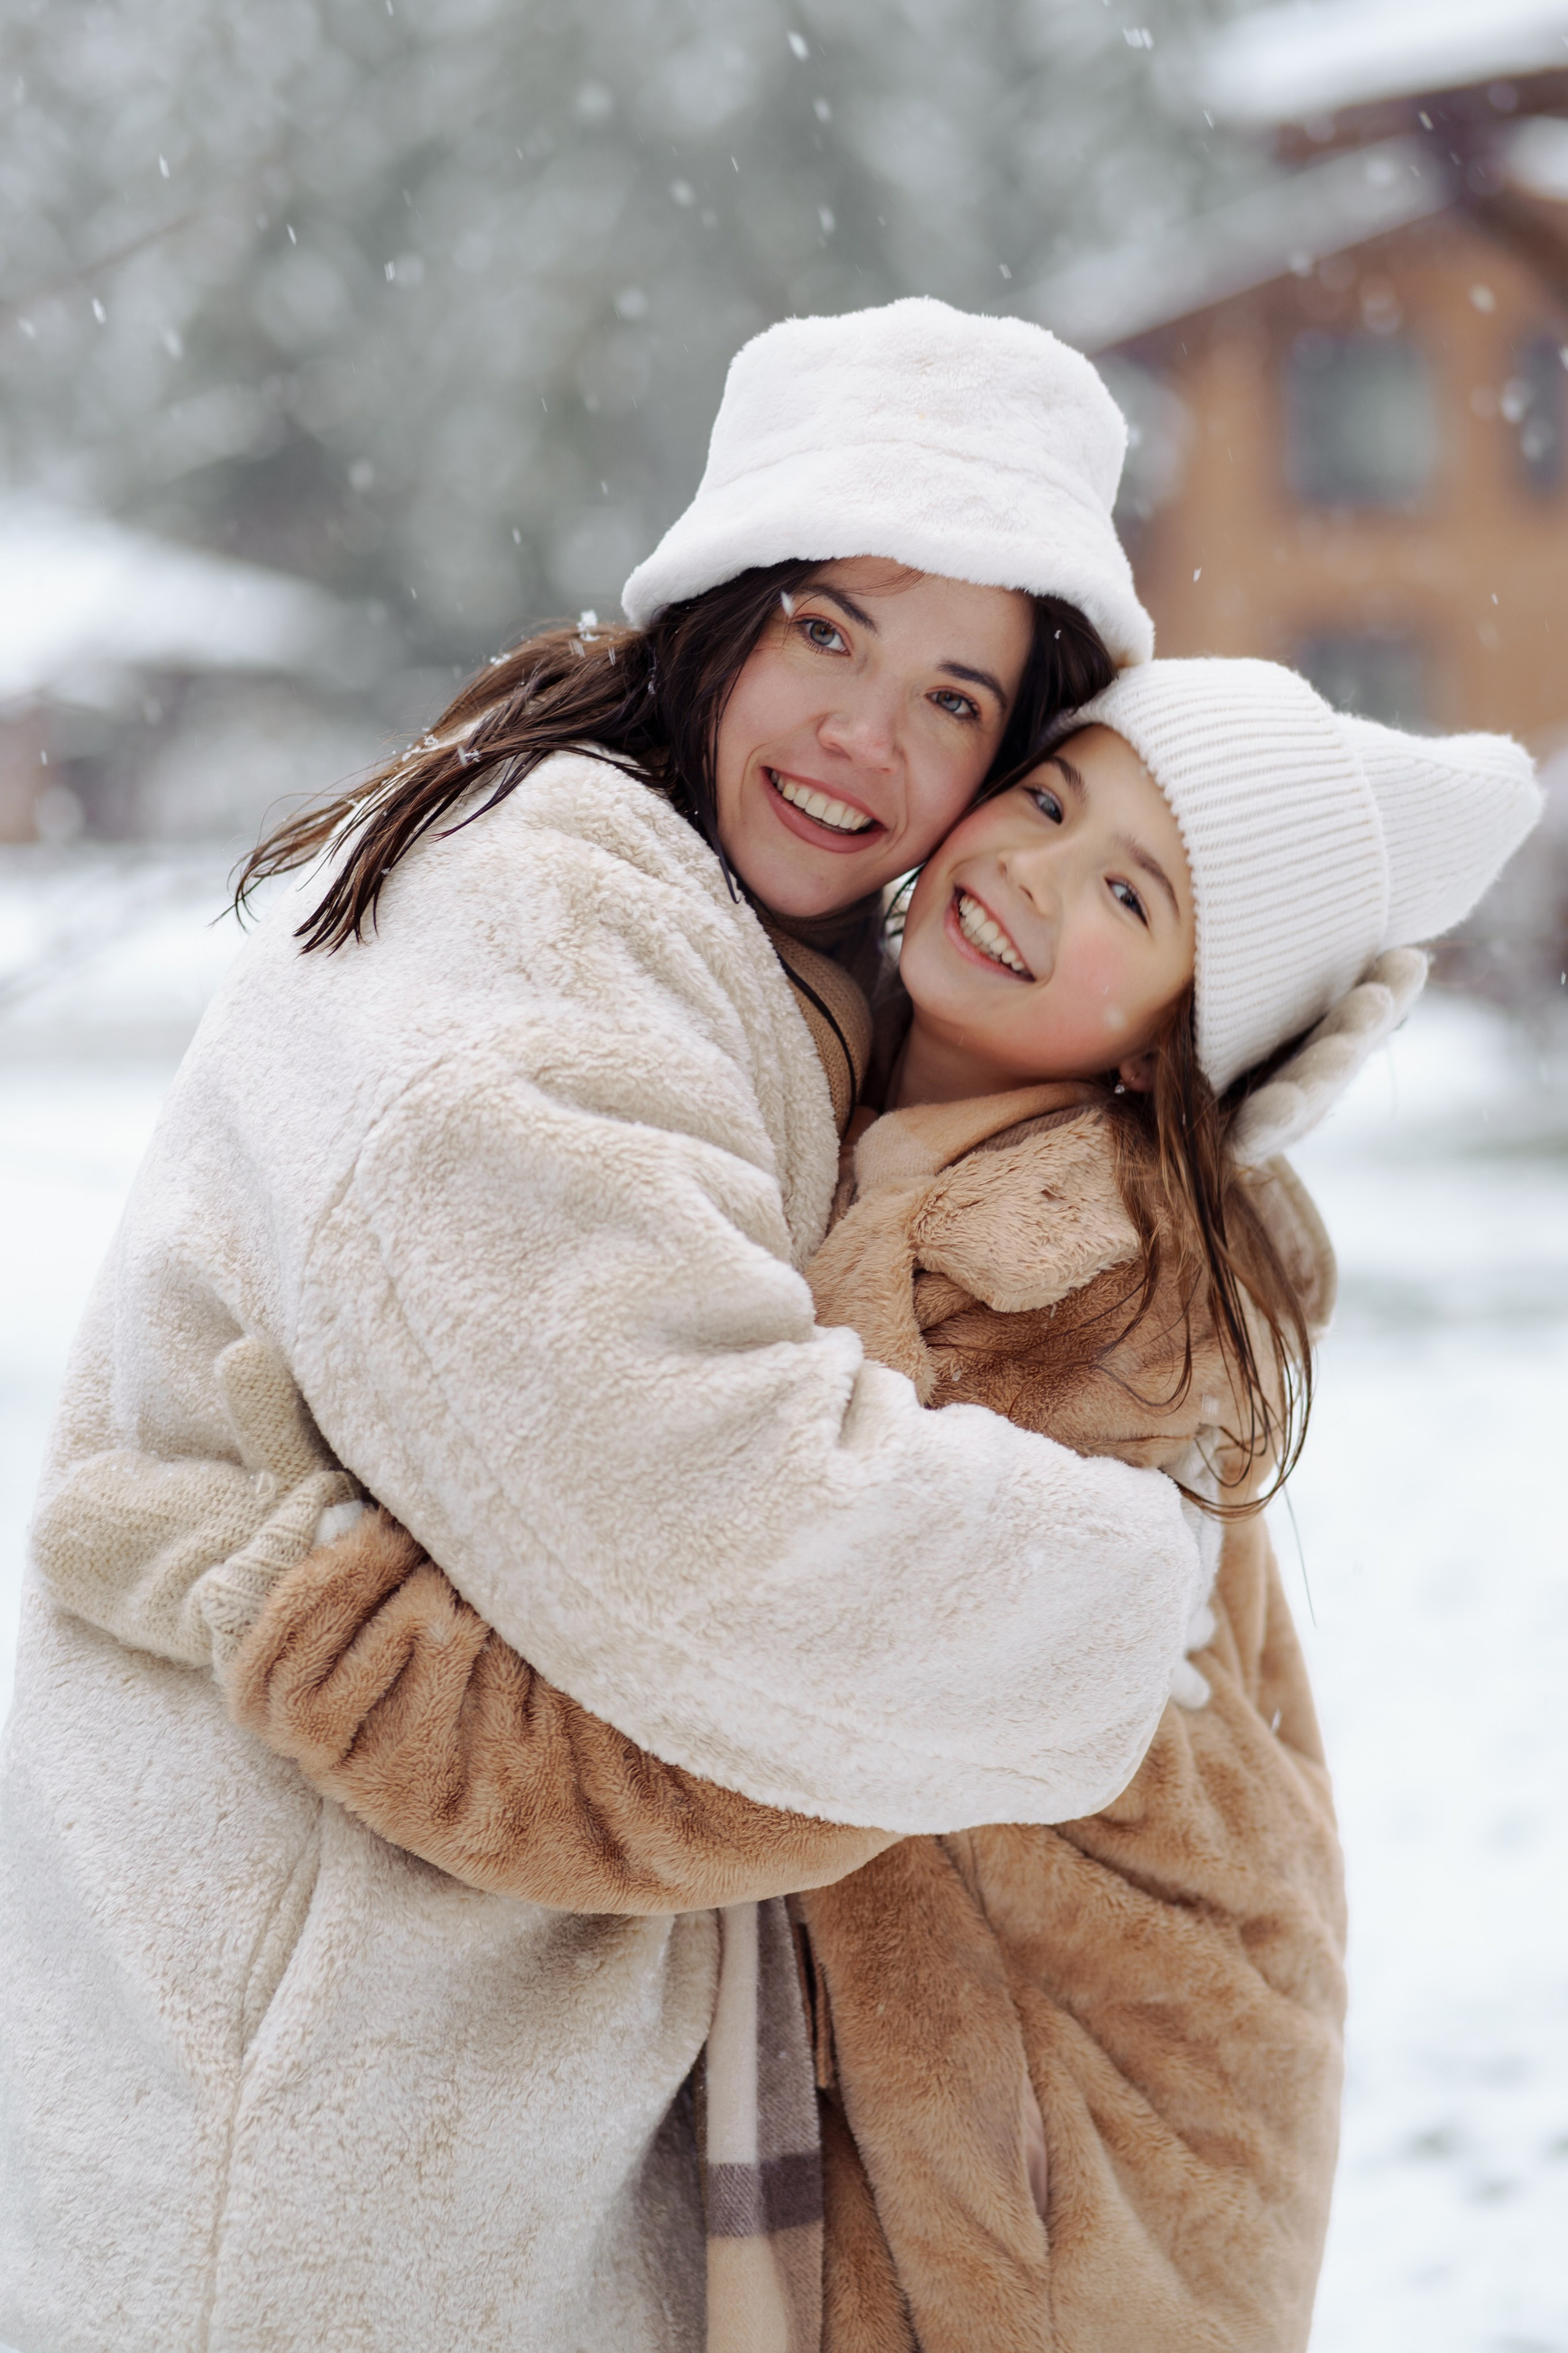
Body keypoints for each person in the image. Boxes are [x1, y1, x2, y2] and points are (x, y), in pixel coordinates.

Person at [27, 662, 1540, 2353]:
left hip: (1063, 2163)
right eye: (1049, 800)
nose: (1035, 871)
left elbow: (698, 1753)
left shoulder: (1075, 1295)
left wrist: (283, 1589)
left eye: (1132, 891)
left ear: (1173, 1054)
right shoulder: (865, 1120)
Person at [0, 299, 1210, 2353]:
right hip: (300, 2108)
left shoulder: (751, 964)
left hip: (428, 2089)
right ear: (716, 611)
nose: (864, 740)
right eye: (828, 631)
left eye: (949, 698)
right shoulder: (533, 918)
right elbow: (707, 1529)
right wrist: (1117, 1593)